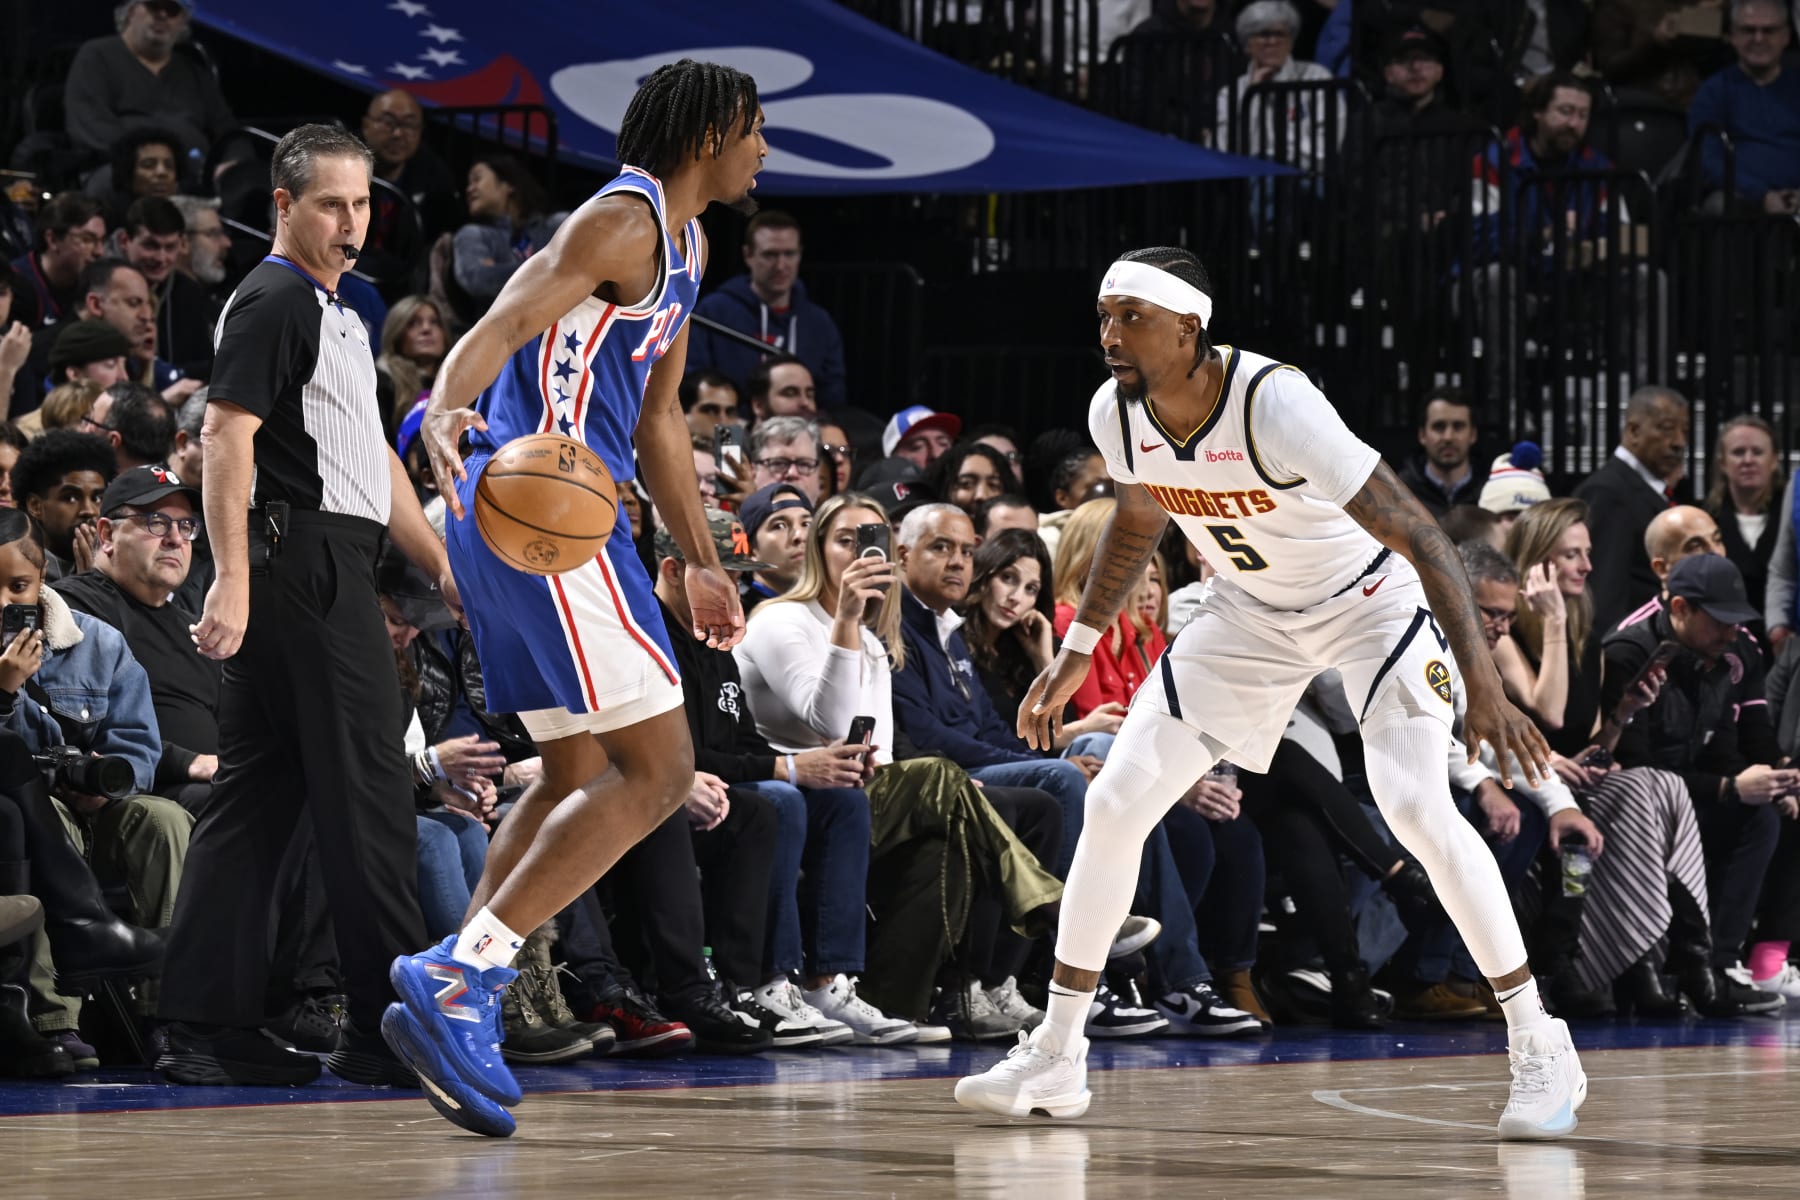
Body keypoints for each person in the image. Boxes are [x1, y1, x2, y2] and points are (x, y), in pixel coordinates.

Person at [954, 246, 1578, 1140]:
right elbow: (1138, 519)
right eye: (1103, 317)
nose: (1109, 336)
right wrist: (1078, 649)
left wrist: (1483, 684)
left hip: (1367, 605)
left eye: (1131, 317)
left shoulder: (1273, 401)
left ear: (1189, 328)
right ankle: (1057, 1055)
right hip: (1249, 616)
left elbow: (1423, 535)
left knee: (1414, 804)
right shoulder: (1114, 411)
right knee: (1120, 800)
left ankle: (1538, 1041)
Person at [382, 61, 767, 1139]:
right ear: (712, 133)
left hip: (567, 518)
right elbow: (502, 320)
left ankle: (464, 989)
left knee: (576, 771)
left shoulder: (688, 248)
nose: (765, 151)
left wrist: (700, 559)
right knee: (662, 772)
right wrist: (444, 407)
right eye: (756, 131)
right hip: (537, 508)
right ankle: (467, 971)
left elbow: (659, 422)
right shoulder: (622, 221)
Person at [153, 123, 460, 1092]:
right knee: (371, 797)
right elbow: (226, 440)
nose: (352, 223)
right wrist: (231, 578)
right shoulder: (276, 297)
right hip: (300, 567)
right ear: (283, 206)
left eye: (364, 204)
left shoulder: (341, 313)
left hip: (326, 558)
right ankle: (390, 1031)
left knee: (254, 805)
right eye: (332, 203)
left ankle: (205, 1024)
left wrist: (448, 567)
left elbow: (370, 463)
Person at [688, 211, 847, 409]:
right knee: (725, 437)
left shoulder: (819, 323)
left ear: (800, 254)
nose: (781, 266)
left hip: (800, 431)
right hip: (730, 427)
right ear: (748, 255)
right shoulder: (713, 312)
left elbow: (833, 395)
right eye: (770, 254)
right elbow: (692, 381)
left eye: (789, 254)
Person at [63, 1, 240, 165]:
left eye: (172, 10)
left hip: (193, 170)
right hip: (120, 167)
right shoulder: (96, 56)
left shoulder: (194, 72)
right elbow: (90, 121)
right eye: (153, 5)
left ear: (183, 22)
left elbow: (226, 127)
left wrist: (234, 164)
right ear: (130, 11)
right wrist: (144, 160)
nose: (162, 15)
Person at [1574, 385, 1688, 634]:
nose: (1679, 442)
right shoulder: (1609, 492)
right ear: (1634, 430)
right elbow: (1605, 592)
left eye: (1684, 431)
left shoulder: (1638, 488)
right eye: (1667, 428)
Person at [1689, 0, 1800, 215]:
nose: (1758, 39)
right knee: (1720, 206)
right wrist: (1762, 196)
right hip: (1743, 200)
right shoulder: (1714, 91)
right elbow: (1707, 161)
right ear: (1733, 37)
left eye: (1769, 31)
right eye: (1749, 30)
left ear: (1786, 37)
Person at [1705, 414, 1782, 653]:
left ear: (1774, 461)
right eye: (1738, 452)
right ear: (1722, 462)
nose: (1748, 460)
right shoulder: (1704, 519)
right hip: (1723, 647)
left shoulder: (1792, 518)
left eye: (1757, 452)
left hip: (1785, 646)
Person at [451, 154, 564, 310]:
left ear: (508, 184)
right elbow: (478, 280)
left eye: (477, 179)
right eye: (468, 183)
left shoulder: (555, 225)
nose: (469, 189)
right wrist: (550, 266)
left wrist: (499, 268)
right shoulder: (472, 234)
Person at [11, 429, 115, 579]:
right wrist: (87, 586)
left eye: (97, 498)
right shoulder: (18, 573)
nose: (89, 510)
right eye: (71, 498)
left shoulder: (118, 566)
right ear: (35, 506)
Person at [7, 193, 106, 332]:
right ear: (53, 239)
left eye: (102, 241)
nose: (99, 251)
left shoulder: (95, 284)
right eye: (87, 240)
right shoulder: (15, 286)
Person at [1396, 387, 1487, 519]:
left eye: (1458, 426)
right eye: (1439, 426)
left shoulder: (1491, 491)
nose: (1448, 437)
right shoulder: (1400, 492)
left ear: (1473, 434)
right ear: (1422, 435)